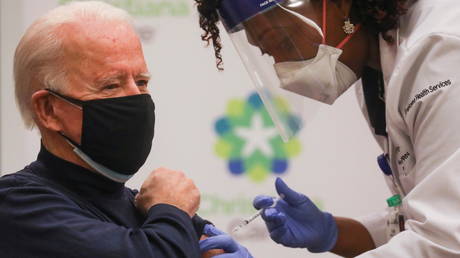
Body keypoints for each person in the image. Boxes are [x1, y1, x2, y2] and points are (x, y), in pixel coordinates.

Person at [196, 0, 460, 256]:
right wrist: (332, 232)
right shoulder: (376, 71)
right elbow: (418, 225)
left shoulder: (439, 54)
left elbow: (445, 242)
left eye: (283, 42)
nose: (284, 71)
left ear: (340, 4)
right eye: (269, 53)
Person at [0, 1, 252, 258]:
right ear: (48, 109)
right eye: (110, 85)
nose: (137, 99)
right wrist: (172, 210)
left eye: (141, 82)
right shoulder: (18, 206)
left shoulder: (143, 206)